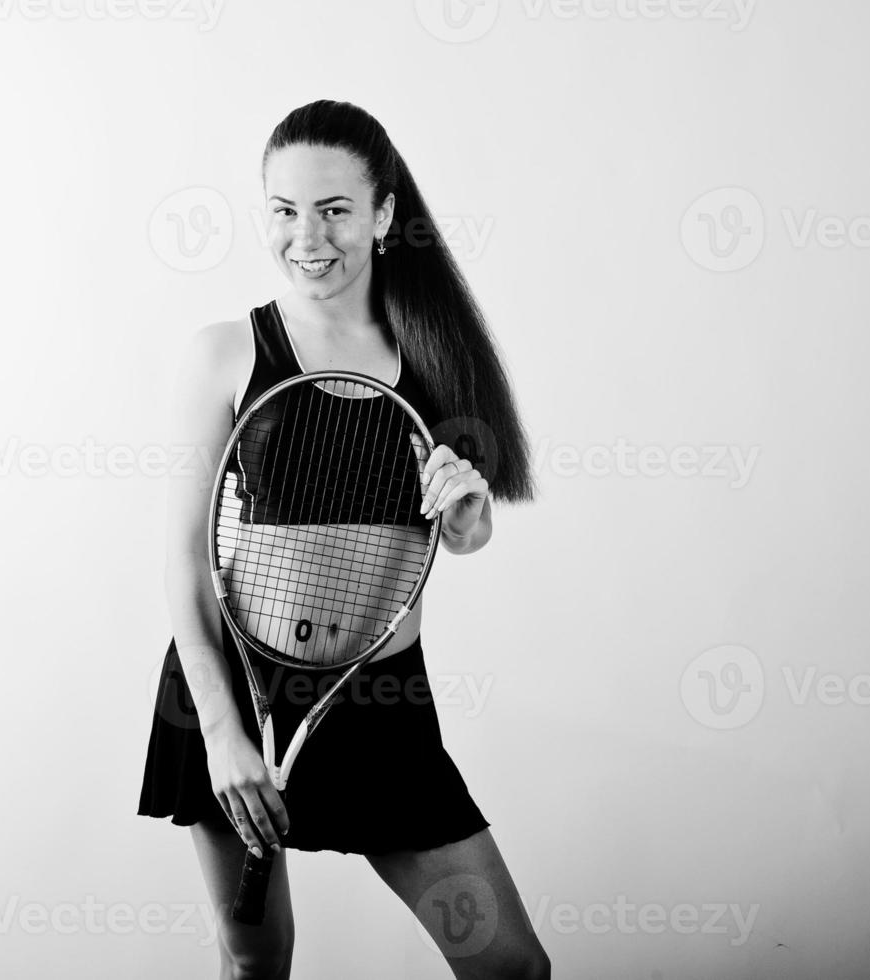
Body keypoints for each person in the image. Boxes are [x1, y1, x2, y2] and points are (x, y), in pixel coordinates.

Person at [137, 99, 550, 980]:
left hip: (379, 709)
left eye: (333, 209)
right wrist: (219, 734)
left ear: (384, 215)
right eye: (283, 211)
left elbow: (456, 534)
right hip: (237, 699)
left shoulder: (437, 359)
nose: (306, 237)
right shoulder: (224, 354)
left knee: (509, 968)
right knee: (256, 962)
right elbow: (181, 562)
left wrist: (468, 518)